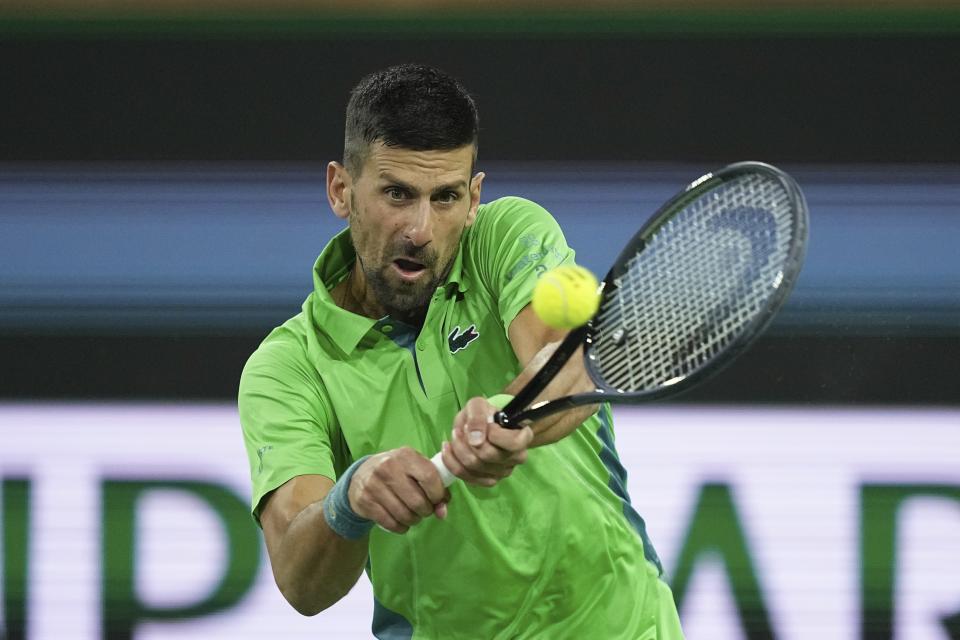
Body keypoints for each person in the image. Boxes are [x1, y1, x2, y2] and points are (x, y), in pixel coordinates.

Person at [238, 63, 684, 639]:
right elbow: (302, 583)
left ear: (474, 199)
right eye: (397, 193)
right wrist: (350, 499)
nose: (421, 228)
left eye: (445, 197)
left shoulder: (506, 236)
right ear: (341, 190)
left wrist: (511, 418)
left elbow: (569, 367)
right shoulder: (288, 369)